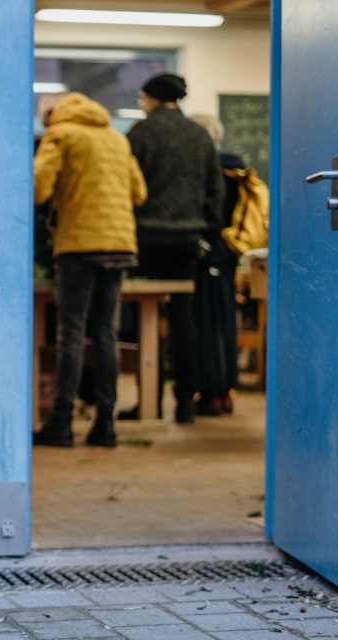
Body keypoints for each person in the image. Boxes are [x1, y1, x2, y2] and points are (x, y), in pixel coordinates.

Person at [32, 92, 147, 447]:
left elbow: (37, 189)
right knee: (106, 333)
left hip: (79, 246)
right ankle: (105, 424)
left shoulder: (60, 134)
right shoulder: (116, 138)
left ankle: (62, 421)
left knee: (71, 331)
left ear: (51, 114)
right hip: (119, 244)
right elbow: (139, 192)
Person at [127, 73, 223, 424]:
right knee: (184, 320)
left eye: (142, 98)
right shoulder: (199, 135)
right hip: (187, 240)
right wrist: (207, 229)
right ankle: (185, 403)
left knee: (146, 319)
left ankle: (148, 402)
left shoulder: (141, 133)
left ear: (153, 99)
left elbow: (128, 185)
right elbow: (215, 191)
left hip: (146, 238)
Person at [190, 113, 246, 416]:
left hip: (209, 252)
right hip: (229, 253)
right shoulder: (236, 168)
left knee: (207, 324)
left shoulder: (209, 168)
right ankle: (224, 391)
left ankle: (211, 392)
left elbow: (211, 214)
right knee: (224, 322)